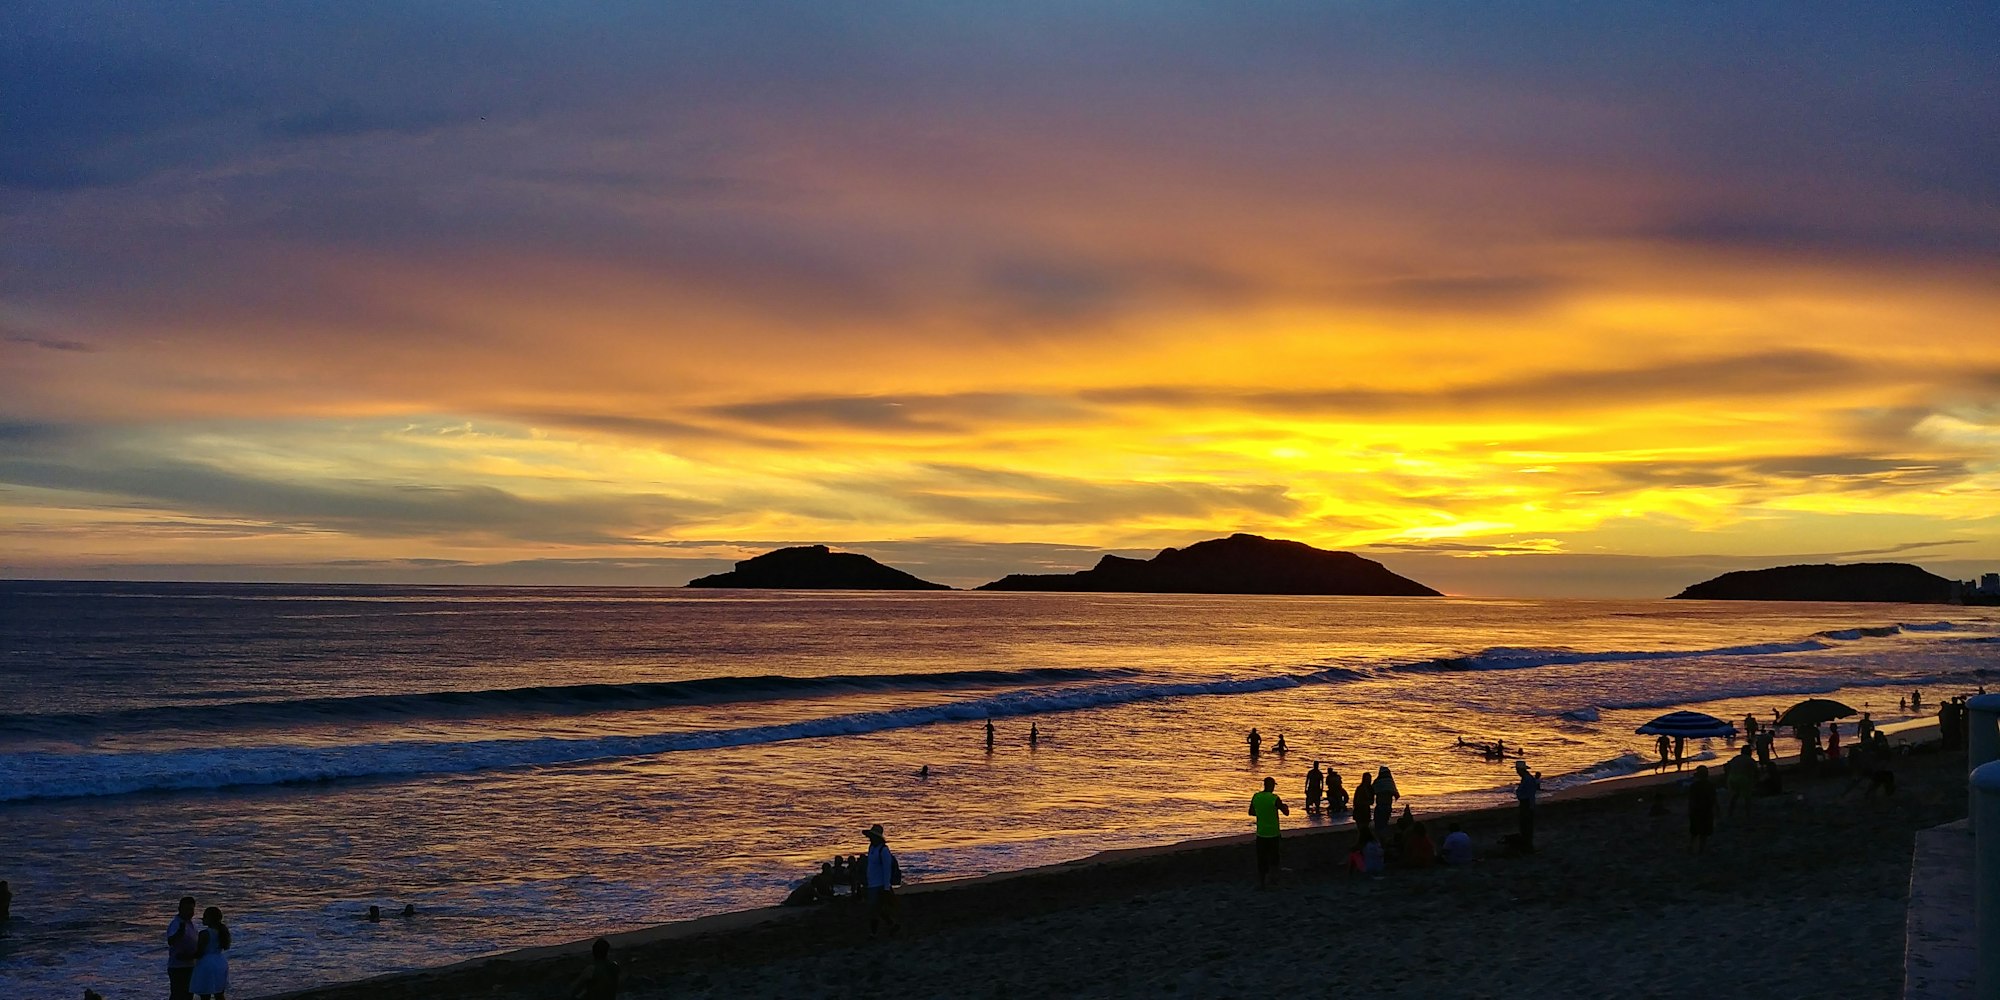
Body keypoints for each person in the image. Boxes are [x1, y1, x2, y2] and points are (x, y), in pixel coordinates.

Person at [1247, 776, 1290, 888]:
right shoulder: (1274, 798)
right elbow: (1286, 813)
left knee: (1262, 858)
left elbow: (1251, 812)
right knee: (1274, 858)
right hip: (1273, 833)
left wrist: (1262, 813)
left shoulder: (1256, 796)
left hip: (1261, 833)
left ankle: (1262, 882)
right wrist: (1285, 807)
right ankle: (1273, 880)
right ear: (1271, 786)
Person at [863, 823, 900, 935]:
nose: (870, 838)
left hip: (879, 884)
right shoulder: (872, 848)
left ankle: (874, 933)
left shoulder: (883, 850)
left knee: (874, 909)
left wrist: (886, 887)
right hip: (872, 883)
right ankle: (892, 924)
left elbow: (887, 869)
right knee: (877, 909)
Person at [189, 905, 229, 1000]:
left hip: (207, 964)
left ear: (210, 919)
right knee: (219, 994)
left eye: (205, 916)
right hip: (220, 962)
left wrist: (186, 956)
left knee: (205, 995)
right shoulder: (222, 932)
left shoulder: (205, 933)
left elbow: (200, 953)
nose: (202, 918)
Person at [166, 895, 200, 1000]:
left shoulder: (192, 924)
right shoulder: (176, 924)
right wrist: (179, 933)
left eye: (191, 909)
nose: (189, 912)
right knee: (178, 995)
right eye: (186, 909)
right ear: (180, 909)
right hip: (178, 967)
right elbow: (171, 941)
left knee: (188, 995)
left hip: (190, 965)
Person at [1687, 764, 1717, 854]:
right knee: (1704, 832)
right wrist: (1717, 809)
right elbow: (1714, 798)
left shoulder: (1693, 786)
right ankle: (1701, 848)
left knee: (1694, 831)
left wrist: (1689, 810)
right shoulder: (1710, 785)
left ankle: (1691, 846)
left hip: (1696, 810)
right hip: (1706, 810)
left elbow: (1690, 800)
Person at [1514, 759, 1540, 851]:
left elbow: (1528, 794)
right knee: (1526, 825)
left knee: (1525, 825)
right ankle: (1527, 845)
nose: (1516, 772)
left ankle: (1527, 846)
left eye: (1517, 770)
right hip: (1527, 803)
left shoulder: (1527, 779)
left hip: (1526, 804)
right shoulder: (1527, 778)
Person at [1724, 745, 1755, 818]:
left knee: (1734, 796)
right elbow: (1755, 770)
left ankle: (1730, 813)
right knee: (1747, 798)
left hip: (1731, 778)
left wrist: (1727, 775)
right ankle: (1748, 814)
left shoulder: (1735, 758)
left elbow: (1726, 766)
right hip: (1742, 778)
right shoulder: (1749, 759)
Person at [1372, 766, 1399, 832]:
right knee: (1384, 822)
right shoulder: (1390, 781)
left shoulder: (1377, 781)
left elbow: (1371, 791)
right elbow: (1396, 795)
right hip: (1388, 805)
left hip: (1380, 805)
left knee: (1379, 823)